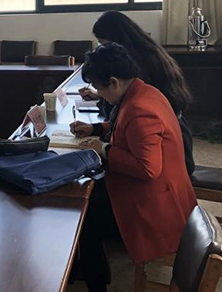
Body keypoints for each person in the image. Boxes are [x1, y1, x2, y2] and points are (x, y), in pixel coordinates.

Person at [70, 43, 197, 292]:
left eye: (100, 88)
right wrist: (95, 128)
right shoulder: (143, 92)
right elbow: (126, 128)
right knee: (86, 200)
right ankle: (90, 272)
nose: (99, 94)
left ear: (114, 82)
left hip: (156, 207)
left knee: (84, 220)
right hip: (159, 192)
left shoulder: (140, 109)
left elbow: (147, 168)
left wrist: (104, 149)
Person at [80, 10, 195, 175]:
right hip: (170, 136)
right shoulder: (146, 56)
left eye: (103, 44)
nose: (104, 49)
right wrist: (96, 123)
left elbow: (146, 166)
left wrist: (103, 147)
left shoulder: (139, 86)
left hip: (166, 153)